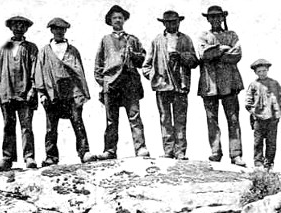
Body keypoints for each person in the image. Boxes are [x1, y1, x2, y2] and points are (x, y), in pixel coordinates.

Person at [34, 17, 94, 166]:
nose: (59, 32)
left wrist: (82, 93)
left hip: (71, 92)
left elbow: (79, 72)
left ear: (65, 31)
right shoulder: (44, 51)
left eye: (62, 29)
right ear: (52, 31)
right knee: (51, 126)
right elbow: (39, 72)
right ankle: (51, 156)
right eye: (56, 29)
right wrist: (41, 93)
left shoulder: (73, 50)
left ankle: (84, 152)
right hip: (52, 92)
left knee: (77, 122)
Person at [93, 5, 150, 160]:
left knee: (134, 117)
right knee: (111, 120)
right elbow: (98, 65)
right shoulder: (105, 40)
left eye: (120, 17)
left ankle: (140, 148)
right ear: (110, 21)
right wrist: (103, 82)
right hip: (111, 85)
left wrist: (134, 54)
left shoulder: (132, 39)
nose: (117, 20)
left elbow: (143, 60)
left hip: (129, 83)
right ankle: (110, 150)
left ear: (124, 20)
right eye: (114, 18)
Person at [142, 11, 199, 159]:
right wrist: (156, 78)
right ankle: (168, 151)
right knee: (165, 118)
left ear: (179, 22)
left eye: (175, 22)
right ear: (164, 24)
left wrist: (181, 57)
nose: (172, 24)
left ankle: (180, 152)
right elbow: (146, 66)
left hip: (180, 85)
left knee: (181, 119)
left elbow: (194, 62)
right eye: (169, 22)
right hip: (163, 86)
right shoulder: (157, 41)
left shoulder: (186, 40)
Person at [196, 5, 245, 166]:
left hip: (230, 82)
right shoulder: (203, 36)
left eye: (219, 16)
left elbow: (236, 55)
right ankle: (216, 152)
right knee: (212, 119)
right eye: (212, 17)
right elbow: (204, 54)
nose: (216, 19)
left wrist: (215, 53)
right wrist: (222, 49)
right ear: (208, 19)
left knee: (233, 118)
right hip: (210, 83)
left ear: (223, 18)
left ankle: (236, 154)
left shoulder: (232, 35)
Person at [0, 16, 39, 172]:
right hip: (6, 92)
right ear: (11, 28)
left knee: (27, 127)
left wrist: (33, 89)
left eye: (22, 25)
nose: (19, 28)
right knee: (8, 126)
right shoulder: (5, 47)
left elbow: (35, 71)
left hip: (25, 93)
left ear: (26, 28)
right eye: (15, 25)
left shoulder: (31, 47)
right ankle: (7, 158)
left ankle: (29, 157)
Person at [245, 59, 281, 170]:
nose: (262, 73)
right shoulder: (253, 85)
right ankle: (258, 163)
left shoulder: (274, 83)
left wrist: (278, 112)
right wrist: (253, 112)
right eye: (259, 71)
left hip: (272, 118)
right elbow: (248, 102)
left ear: (267, 70)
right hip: (258, 118)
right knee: (258, 141)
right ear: (255, 73)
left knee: (271, 142)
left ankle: (269, 164)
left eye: (264, 71)